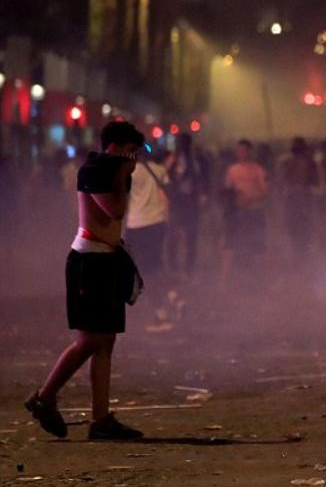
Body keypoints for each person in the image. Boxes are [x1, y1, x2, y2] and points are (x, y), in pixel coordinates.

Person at [25, 121, 147, 440]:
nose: (135, 157)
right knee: (89, 340)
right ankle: (44, 397)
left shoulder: (115, 172)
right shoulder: (95, 170)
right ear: (117, 147)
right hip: (89, 261)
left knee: (106, 340)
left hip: (107, 259)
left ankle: (101, 419)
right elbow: (115, 212)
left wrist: (124, 175)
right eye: (131, 150)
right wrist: (123, 175)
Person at [127, 148, 174, 329]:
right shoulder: (159, 169)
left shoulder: (130, 173)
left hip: (138, 225)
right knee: (155, 264)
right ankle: (173, 297)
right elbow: (165, 194)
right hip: (158, 223)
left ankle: (161, 315)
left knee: (144, 271)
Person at [222, 139, 268, 283]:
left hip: (255, 210)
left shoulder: (258, 169)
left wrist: (251, 198)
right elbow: (227, 192)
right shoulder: (232, 170)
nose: (241, 153)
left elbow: (265, 190)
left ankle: (263, 279)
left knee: (259, 245)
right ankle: (225, 280)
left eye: (244, 150)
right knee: (230, 244)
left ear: (249, 151)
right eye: (239, 150)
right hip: (238, 213)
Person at [164, 134, 208, 278]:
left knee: (191, 236)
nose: (182, 146)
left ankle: (188, 267)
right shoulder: (173, 159)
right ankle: (173, 265)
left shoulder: (195, 160)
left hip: (191, 202)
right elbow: (166, 178)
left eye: (184, 143)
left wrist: (202, 195)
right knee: (174, 236)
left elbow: (202, 179)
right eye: (180, 143)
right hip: (177, 202)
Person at [277, 137, 319, 262]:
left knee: (294, 228)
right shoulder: (310, 162)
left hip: (291, 197)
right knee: (304, 228)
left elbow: (281, 180)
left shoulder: (286, 162)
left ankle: (297, 256)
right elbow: (315, 181)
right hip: (304, 197)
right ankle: (302, 256)